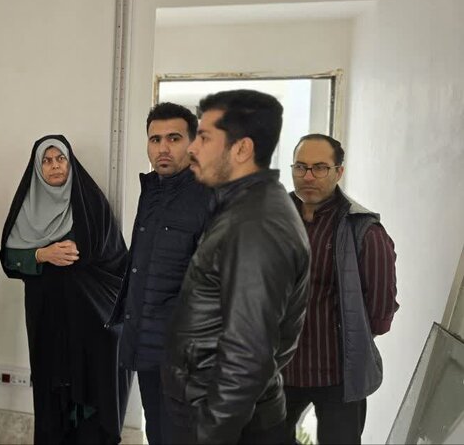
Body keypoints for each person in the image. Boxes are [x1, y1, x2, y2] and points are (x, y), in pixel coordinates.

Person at [162, 89, 311, 444]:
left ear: (241, 149)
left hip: (227, 425)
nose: (192, 148)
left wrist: (209, 434)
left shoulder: (254, 226)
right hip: (224, 413)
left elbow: (247, 357)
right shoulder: (245, 208)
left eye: (204, 137)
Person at [1, 135, 129, 444]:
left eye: (61, 159)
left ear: (70, 164)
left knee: (92, 392)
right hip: (47, 317)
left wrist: (81, 252)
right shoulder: (25, 209)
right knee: (51, 391)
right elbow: (8, 259)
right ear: (37, 167)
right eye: (47, 160)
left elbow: (117, 262)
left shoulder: (90, 203)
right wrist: (40, 254)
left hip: (91, 319)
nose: (55, 165)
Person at [283, 134, 399, 444]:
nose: (308, 176)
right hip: (277, 373)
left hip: (337, 377)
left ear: (339, 172)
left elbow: (380, 313)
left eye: (320, 167)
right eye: (301, 167)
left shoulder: (363, 230)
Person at [108, 104, 212, 444]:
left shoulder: (210, 195)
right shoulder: (153, 190)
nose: (163, 148)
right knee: (158, 432)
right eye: (155, 139)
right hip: (148, 344)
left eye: (174, 138)